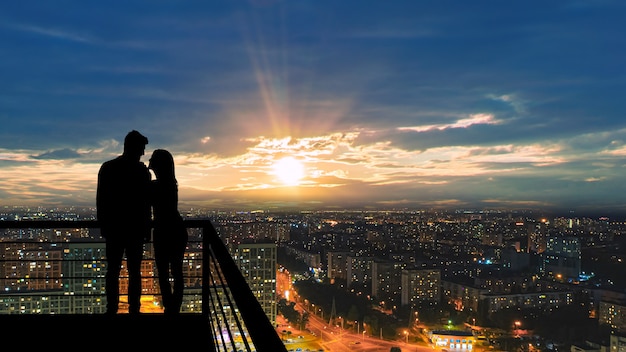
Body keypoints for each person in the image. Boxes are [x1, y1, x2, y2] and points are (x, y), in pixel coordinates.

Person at [96, 130, 152, 315]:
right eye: (142, 148)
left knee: (113, 271)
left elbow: (101, 200)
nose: (143, 153)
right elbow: (145, 203)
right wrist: (146, 229)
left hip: (114, 228)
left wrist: (104, 225)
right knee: (134, 272)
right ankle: (133, 310)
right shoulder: (141, 173)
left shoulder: (108, 168)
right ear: (134, 148)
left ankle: (111, 309)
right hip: (134, 229)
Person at [148, 149, 188, 315]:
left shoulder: (156, 186)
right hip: (176, 231)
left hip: (163, 232)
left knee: (164, 274)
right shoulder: (171, 184)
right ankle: (173, 309)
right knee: (176, 273)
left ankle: (170, 308)